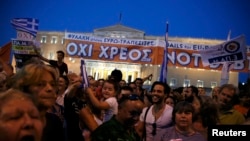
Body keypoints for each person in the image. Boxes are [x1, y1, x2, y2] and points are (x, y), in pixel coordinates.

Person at [10, 62, 65, 141]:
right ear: (24, 88)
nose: (50, 89)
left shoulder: (55, 121)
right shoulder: (12, 123)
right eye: (40, 84)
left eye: (52, 84)